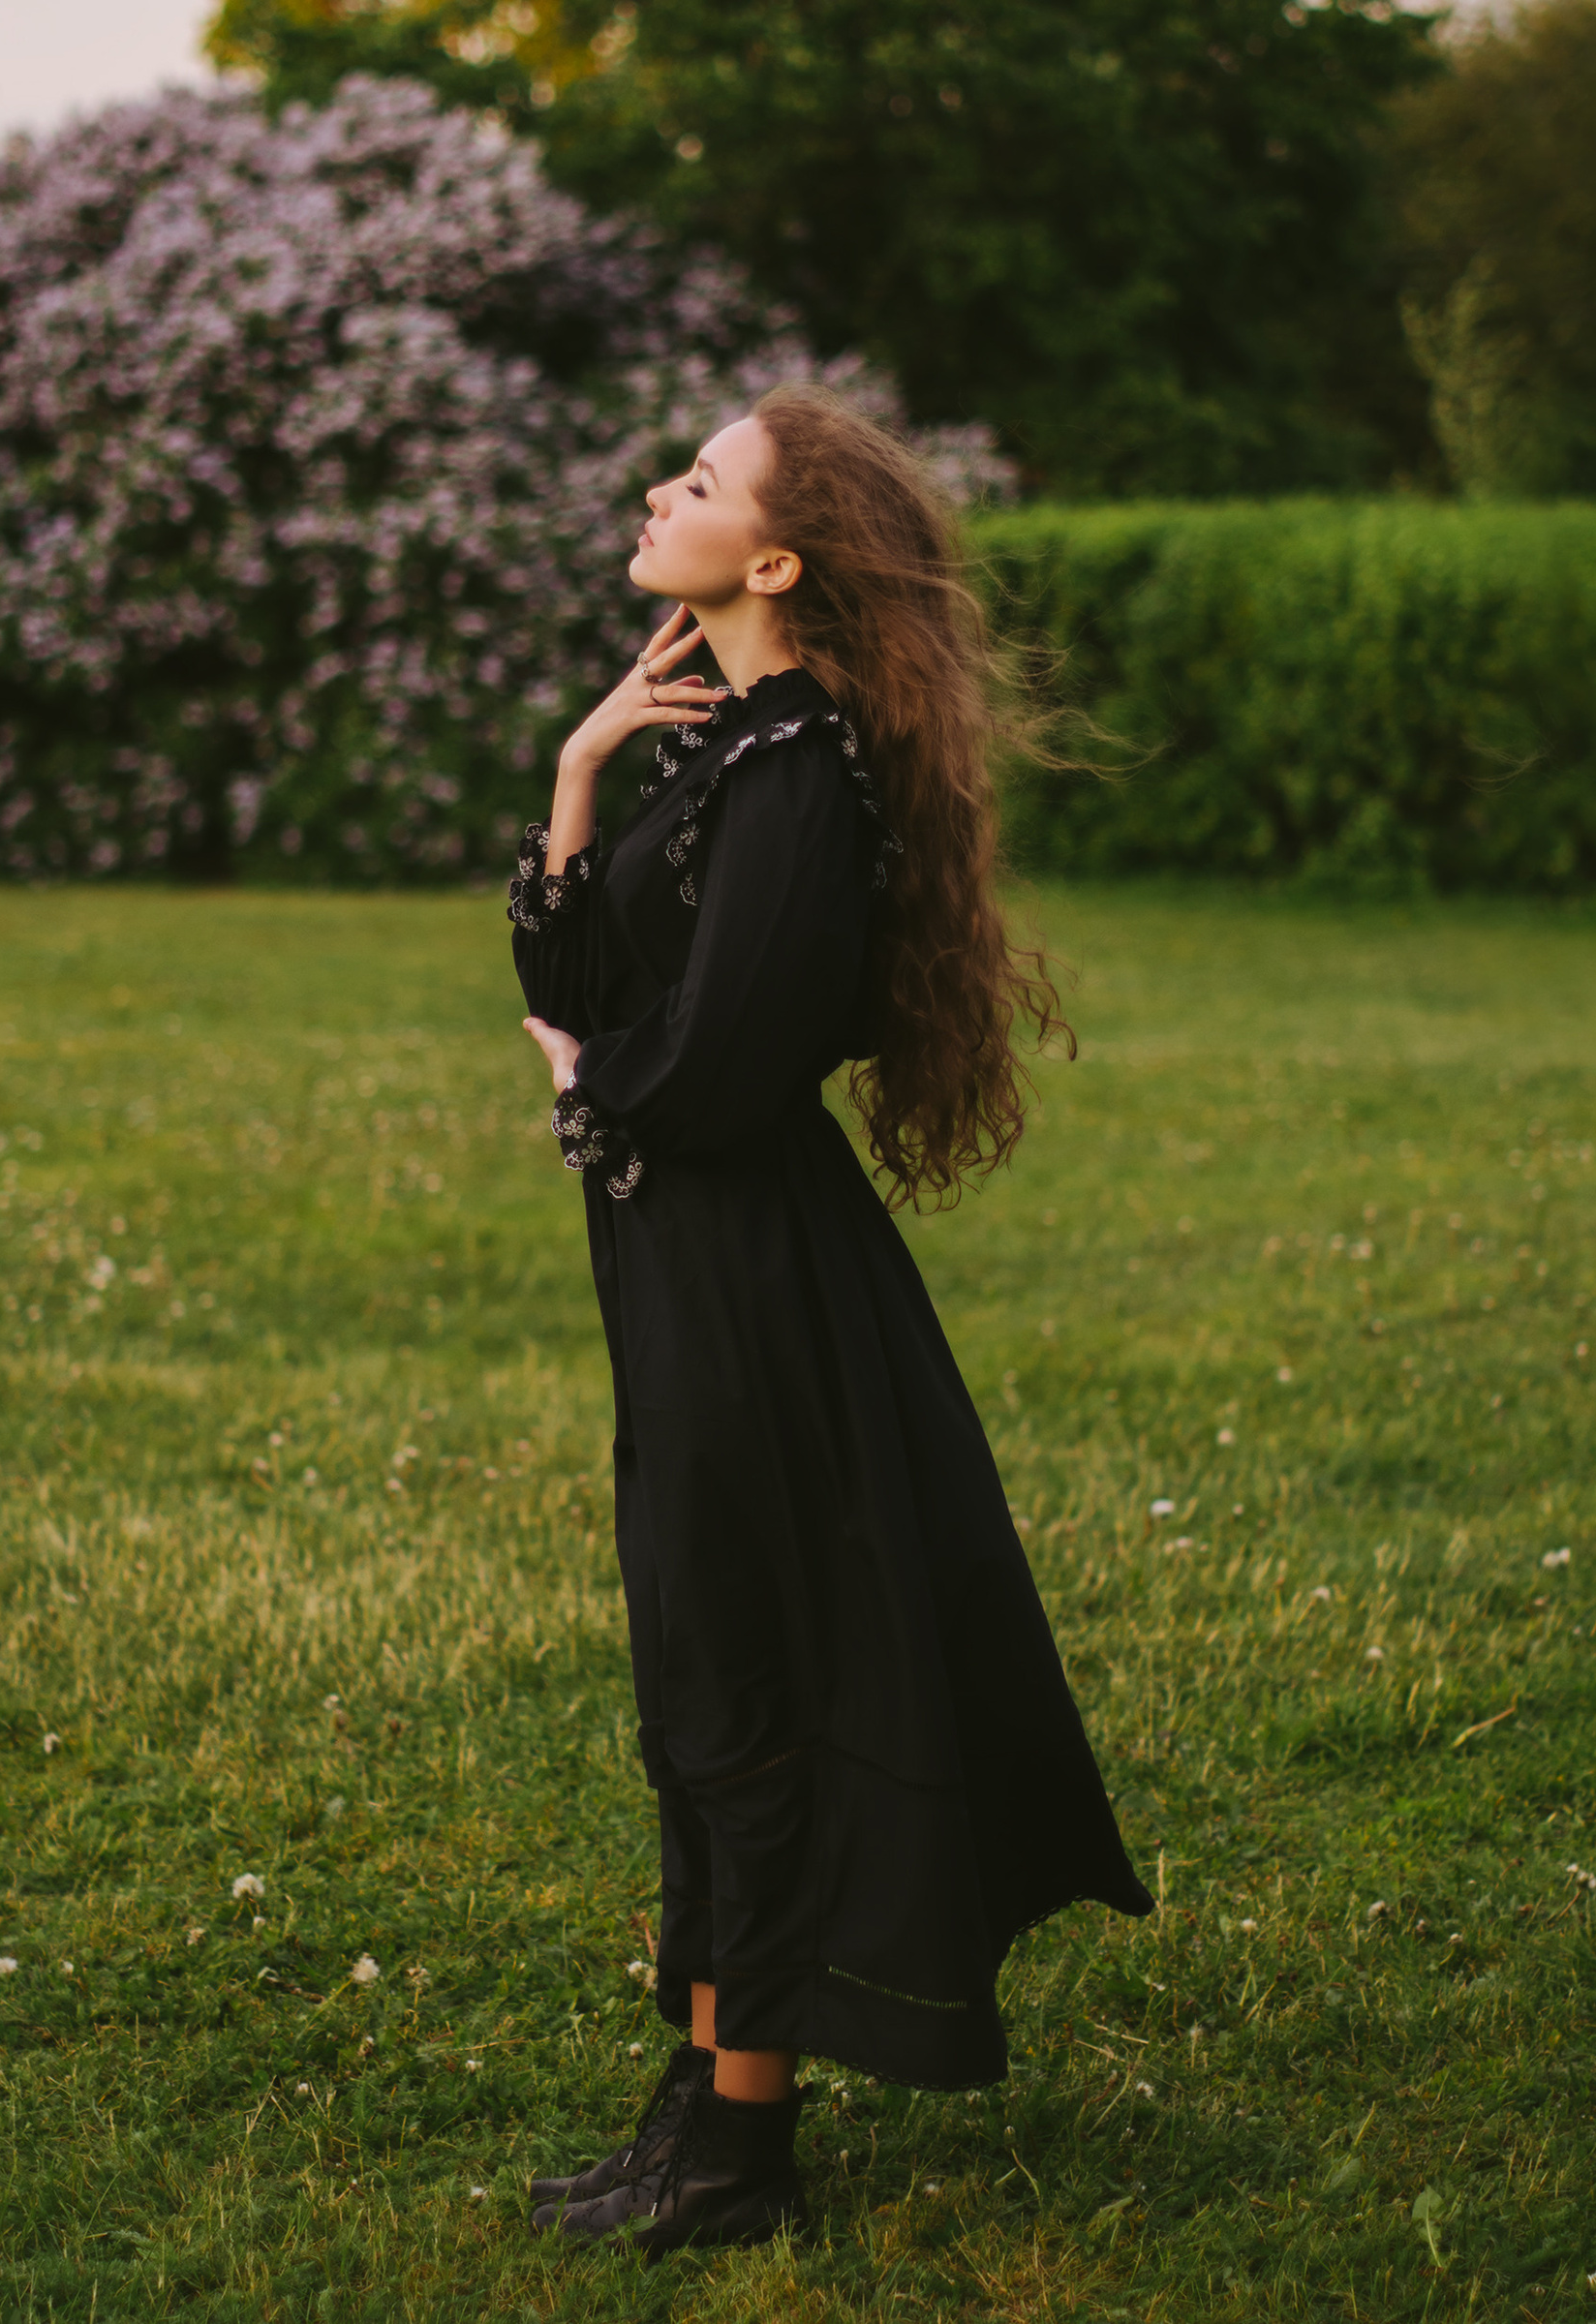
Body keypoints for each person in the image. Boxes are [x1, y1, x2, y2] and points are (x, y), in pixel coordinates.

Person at [509, 383, 1151, 2261]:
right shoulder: (732, 746)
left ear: (776, 561)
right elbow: (581, 970)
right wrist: (582, 766)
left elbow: (717, 1060)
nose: (660, 489)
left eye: (701, 480)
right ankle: (706, 2098)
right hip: (690, 1257)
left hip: (752, 1279)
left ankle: (741, 2150)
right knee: (705, 1674)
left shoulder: (799, 773)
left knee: (747, 1684)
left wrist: (592, 1086)